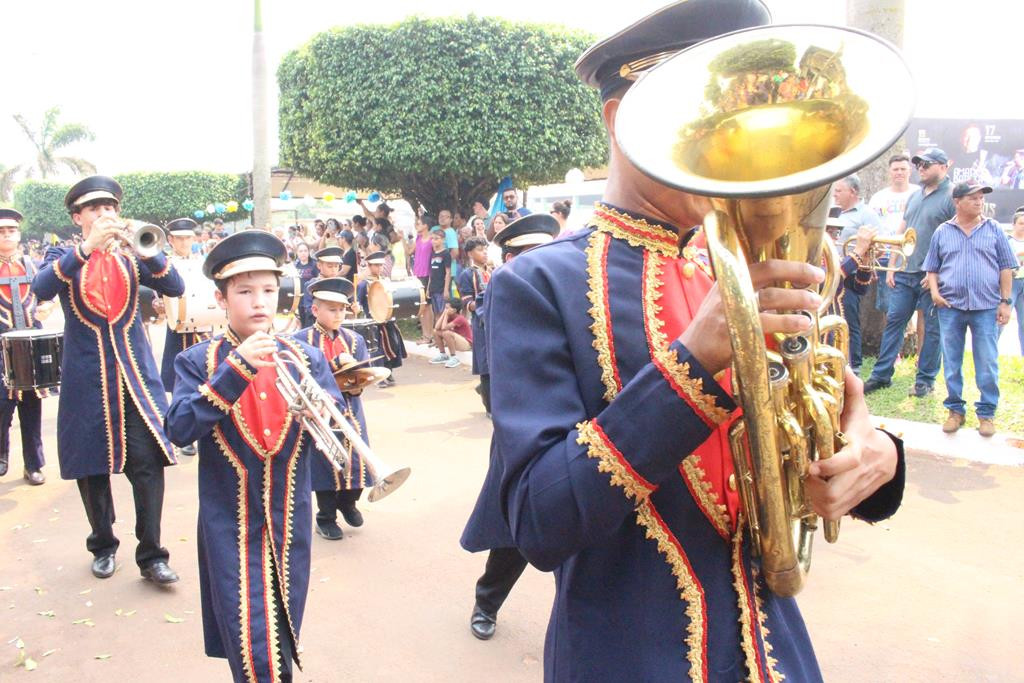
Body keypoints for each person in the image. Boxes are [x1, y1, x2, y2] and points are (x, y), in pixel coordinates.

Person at [468, 3, 906, 678]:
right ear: (621, 122)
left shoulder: (761, 266)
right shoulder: (536, 284)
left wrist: (871, 458)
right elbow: (538, 520)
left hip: (775, 652)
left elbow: (827, 420)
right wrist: (692, 366)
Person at [166, 230, 346, 683]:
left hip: (291, 518)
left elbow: (335, 427)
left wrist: (330, 404)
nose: (259, 302)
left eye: (268, 290)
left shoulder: (304, 356)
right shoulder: (197, 361)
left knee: (284, 626)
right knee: (249, 639)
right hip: (230, 520)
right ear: (221, 298)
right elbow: (180, 428)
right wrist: (237, 369)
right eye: (244, 292)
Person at [33, 176, 184, 584]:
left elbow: (175, 285)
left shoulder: (132, 257)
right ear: (77, 217)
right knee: (91, 467)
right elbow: (41, 288)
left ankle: (152, 555)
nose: (105, 215)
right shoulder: (62, 255)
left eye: (110, 208)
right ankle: (102, 544)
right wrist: (85, 250)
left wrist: (146, 249)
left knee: (148, 463)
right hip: (87, 380)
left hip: (136, 379)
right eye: (95, 209)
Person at [461, 214, 560, 641]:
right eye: (527, 255)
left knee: (592, 530)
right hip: (524, 429)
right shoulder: (501, 294)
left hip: (580, 426)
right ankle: (487, 600)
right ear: (511, 258)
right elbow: (497, 368)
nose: (539, 263)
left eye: (544, 253)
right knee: (517, 526)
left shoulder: (572, 288)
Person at [924, 182, 1016, 436]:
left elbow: (1006, 267)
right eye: (972, 198)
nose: (978, 202)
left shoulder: (994, 229)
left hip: (986, 307)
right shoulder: (943, 231)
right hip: (950, 307)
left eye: (980, 198)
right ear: (957, 201)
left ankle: (986, 414)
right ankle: (955, 410)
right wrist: (935, 292)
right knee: (952, 362)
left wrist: (1005, 302)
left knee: (986, 361)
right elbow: (932, 267)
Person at [864, 147, 955, 397]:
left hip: (932, 276)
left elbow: (955, 239)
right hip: (905, 271)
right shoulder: (916, 195)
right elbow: (903, 232)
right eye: (919, 165)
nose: (921, 168)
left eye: (927, 164)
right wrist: (894, 263)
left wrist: (937, 274)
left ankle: (925, 380)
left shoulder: (951, 195)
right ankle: (881, 375)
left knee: (933, 328)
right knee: (895, 322)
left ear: (944, 166)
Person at [293, 276, 374, 539]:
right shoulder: (300, 339)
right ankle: (326, 516)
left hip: (351, 410)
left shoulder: (354, 339)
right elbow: (298, 379)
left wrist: (355, 376)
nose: (338, 314)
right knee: (325, 464)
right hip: (320, 414)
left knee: (358, 461)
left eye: (341, 309)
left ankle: (348, 503)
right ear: (315, 310)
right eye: (331, 309)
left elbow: (365, 376)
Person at [0, 208, 48, 485]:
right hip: (1, 346)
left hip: (31, 345)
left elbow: (46, 295)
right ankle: (2, 454)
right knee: (2, 405)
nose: (7, 236)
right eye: (2, 232)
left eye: (11, 231)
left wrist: (47, 307)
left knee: (31, 405)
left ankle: (34, 463)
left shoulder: (31, 265)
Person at [159, 217, 208, 457]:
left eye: (189, 237)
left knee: (205, 379)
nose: (185, 242)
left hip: (203, 329)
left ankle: (201, 429)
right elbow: (156, 296)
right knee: (180, 382)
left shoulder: (202, 263)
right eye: (180, 238)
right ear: (170, 240)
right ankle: (183, 433)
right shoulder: (165, 264)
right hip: (178, 330)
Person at [831, 174, 882, 375]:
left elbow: (861, 287)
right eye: (833, 232)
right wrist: (859, 251)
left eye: (837, 233)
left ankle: (854, 367)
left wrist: (866, 263)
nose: (836, 237)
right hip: (834, 279)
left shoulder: (867, 213)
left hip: (848, 277)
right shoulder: (818, 253)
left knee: (850, 320)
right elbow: (832, 278)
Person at [868, 154, 919, 314]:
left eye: (903, 169)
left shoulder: (919, 193)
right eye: (895, 169)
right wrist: (871, 260)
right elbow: (871, 229)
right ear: (889, 172)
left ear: (909, 171)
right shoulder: (878, 197)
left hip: (913, 256)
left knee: (919, 307)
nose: (899, 172)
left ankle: (912, 336)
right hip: (885, 257)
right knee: (889, 306)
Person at [355, 251, 407, 387]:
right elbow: (358, 303)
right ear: (369, 266)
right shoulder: (363, 285)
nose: (380, 268)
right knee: (378, 350)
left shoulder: (385, 281)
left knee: (392, 347)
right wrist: (357, 308)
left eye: (381, 266)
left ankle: (389, 372)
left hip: (387, 321)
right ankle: (378, 377)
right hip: (373, 323)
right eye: (376, 265)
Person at [456, 236, 491, 411]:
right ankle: (490, 406)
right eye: (479, 249)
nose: (484, 252)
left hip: (496, 322)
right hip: (481, 323)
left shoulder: (493, 270)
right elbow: (467, 302)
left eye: (485, 249)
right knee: (486, 365)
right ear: (470, 253)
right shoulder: (467, 275)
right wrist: (484, 305)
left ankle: (487, 393)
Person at [299, 246, 343, 324]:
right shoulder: (311, 285)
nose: (333, 270)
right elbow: (309, 308)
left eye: (336, 266)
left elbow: (349, 304)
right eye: (329, 266)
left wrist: (355, 308)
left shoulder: (341, 285)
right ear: (319, 265)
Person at [412, 214, 436, 342]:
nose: (417, 226)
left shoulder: (432, 240)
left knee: (428, 306)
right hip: (417, 273)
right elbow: (410, 251)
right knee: (421, 306)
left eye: (419, 223)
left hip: (427, 274)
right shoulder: (418, 238)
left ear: (426, 225)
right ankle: (425, 334)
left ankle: (430, 334)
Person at [1003, 209, 1024, 354]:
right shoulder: (1007, 241)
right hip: (1011, 282)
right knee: (1002, 317)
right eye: (1021, 223)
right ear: (1014, 225)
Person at [429, 298, 473, 368]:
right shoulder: (449, 316)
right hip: (456, 341)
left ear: (454, 310)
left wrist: (446, 315)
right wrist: (444, 313)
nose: (445, 310)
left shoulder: (460, 318)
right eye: (445, 308)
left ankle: (454, 357)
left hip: (466, 344)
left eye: (447, 308)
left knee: (446, 333)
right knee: (435, 332)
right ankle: (443, 354)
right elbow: (437, 327)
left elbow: (444, 328)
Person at [427, 230, 452, 323]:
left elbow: (448, 272)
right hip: (433, 288)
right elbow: (431, 272)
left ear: (443, 239)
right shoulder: (433, 253)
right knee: (436, 313)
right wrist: (428, 288)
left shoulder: (446, 254)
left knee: (442, 313)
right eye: (432, 239)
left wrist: (446, 289)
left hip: (441, 288)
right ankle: (437, 335)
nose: (434, 241)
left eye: (436, 239)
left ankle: (443, 333)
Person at [293, 241, 318, 328]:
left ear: (308, 252)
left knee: (310, 321)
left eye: (305, 251)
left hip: (310, 298)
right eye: (300, 251)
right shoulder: (295, 265)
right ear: (297, 253)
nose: (303, 253)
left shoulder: (314, 264)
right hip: (299, 297)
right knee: (302, 320)